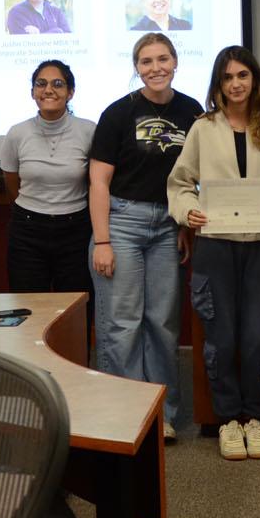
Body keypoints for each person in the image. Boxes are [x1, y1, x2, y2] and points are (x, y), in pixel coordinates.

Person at [168, 46, 260, 461]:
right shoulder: (203, 129)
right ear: (218, 85)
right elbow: (180, 183)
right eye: (227, 77)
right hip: (215, 248)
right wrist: (187, 210)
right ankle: (228, 420)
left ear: (255, 80)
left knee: (258, 337)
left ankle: (255, 419)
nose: (236, 84)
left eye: (243, 75)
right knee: (220, 339)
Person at [89, 33, 202, 441]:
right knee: (122, 324)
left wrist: (185, 225)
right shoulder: (119, 113)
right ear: (136, 66)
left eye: (163, 59)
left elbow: (192, 178)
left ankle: (161, 416)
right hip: (121, 223)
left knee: (163, 324)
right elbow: (98, 182)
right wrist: (102, 241)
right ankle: (127, 414)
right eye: (147, 61)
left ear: (175, 61)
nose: (156, 67)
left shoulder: (191, 111)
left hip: (167, 226)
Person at [0, 60, 95, 293]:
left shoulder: (89, 130)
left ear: (70, 92)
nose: (48, 90)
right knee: (28, 308)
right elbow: (11, 182)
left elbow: (97, 182)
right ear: (33, 92)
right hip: (27, 230)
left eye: (58, 84)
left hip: (76, 230)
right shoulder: (17, 133)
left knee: (76, 309)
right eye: (41, 84)